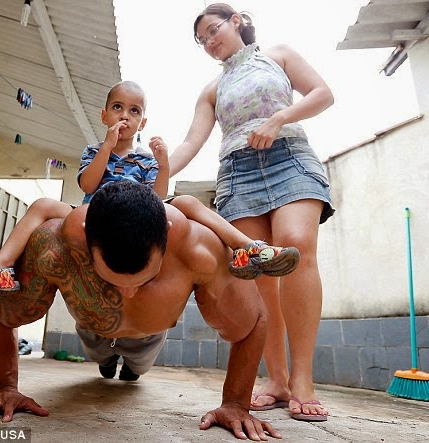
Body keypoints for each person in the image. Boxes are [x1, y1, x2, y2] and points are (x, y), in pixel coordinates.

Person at [0, 181, 280, 441]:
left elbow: (253, 322)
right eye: (112, 279)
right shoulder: (55, 244)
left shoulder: (200, 249)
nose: (129, 293)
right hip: (92, 333)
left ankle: (130, 369)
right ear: (85, 237)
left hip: (149, 340)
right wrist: (4, 388)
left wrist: (236, 402)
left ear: (167, 233)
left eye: (144, 279)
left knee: (134, 370)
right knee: (104, 363)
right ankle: (108, 364)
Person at [0, 81, 299, 299]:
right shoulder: (94, 151)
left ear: (142, 122)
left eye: (134, 111)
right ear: (104, 115)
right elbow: (88, 184)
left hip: (137, 216)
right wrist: (106, 147)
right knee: (43, 203)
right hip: (93, 211)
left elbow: (157, 198)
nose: (125, 116)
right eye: (118, 108)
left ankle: (247, 248)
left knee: (188, 202)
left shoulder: (146, 160)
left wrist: (164, 164)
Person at [168, 3, 335, 422]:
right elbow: (190, 142)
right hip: (238, 172)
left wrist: (279, 118)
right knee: (259, 271)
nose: (209, 42)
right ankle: (277, 380)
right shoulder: (211, 90)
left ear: (236, 21)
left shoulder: (278, 55)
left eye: (213, 30)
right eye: (201, 40)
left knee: (297, 247)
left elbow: (322, 94)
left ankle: (303, 380)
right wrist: (154, 170)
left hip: (289, 156)